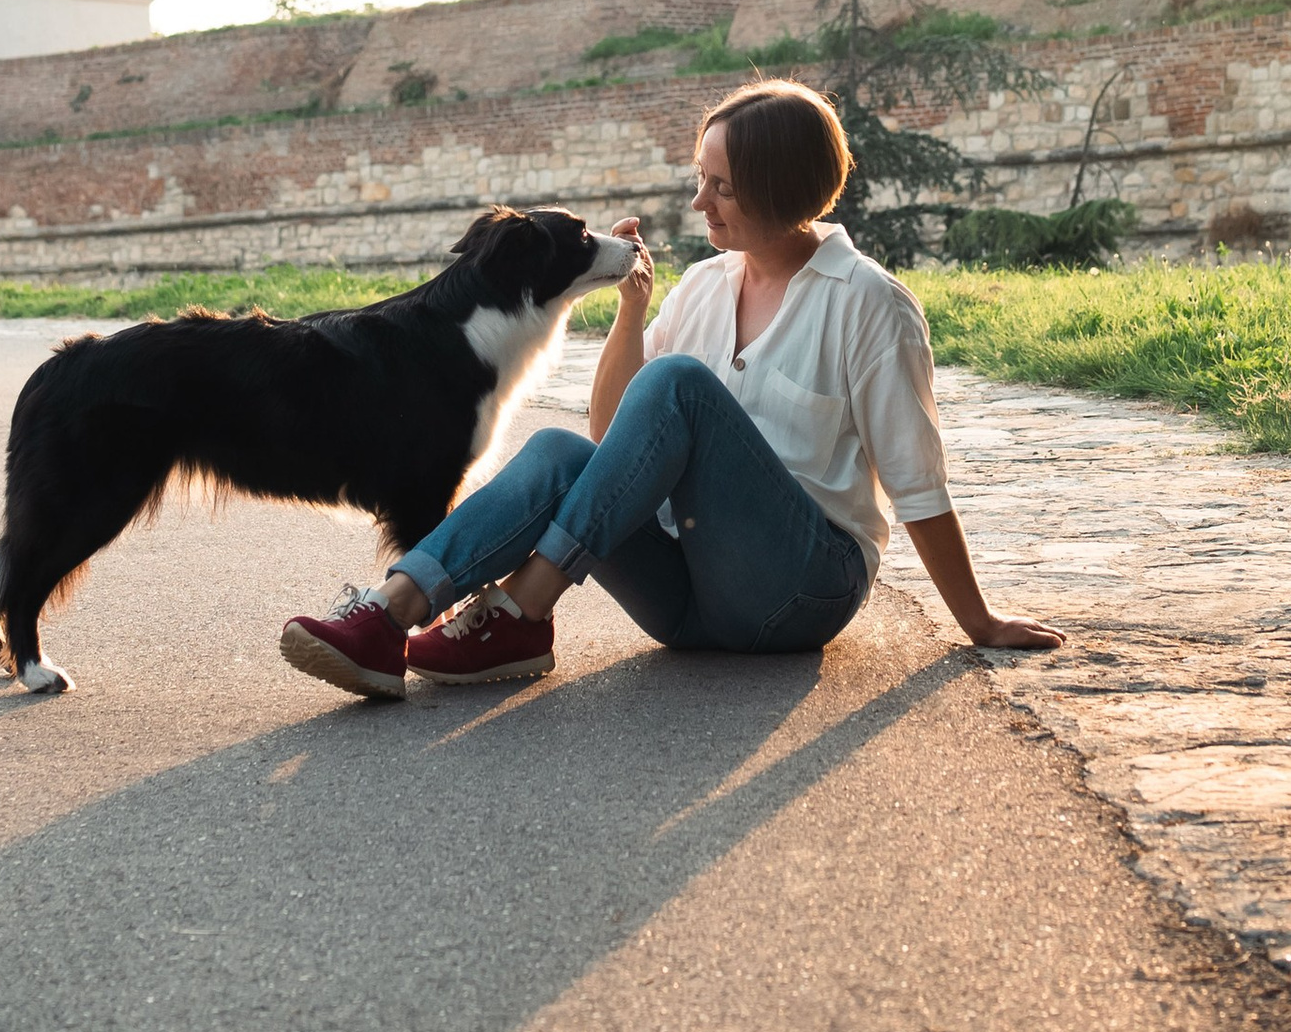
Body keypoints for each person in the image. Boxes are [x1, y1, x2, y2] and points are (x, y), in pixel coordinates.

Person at [279, 78, 1066, 697]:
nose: (698, 203)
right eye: (701, 179)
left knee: (680, 384)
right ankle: (391, 615)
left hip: (800, 590)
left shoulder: (869, 304)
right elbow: (609, 439)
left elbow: (916, 482)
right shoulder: (703, 286)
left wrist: (979, 620)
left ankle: (523, 608)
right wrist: (633, 314)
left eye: (719, 186)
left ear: (778, 186)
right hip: (687, 600)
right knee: (558, 450)